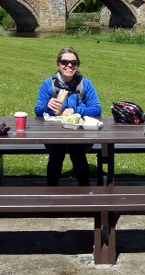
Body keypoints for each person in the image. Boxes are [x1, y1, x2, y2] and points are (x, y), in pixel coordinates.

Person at [34, 47, 101, 186]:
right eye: (65, 62)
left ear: (77, 65)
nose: (69, 65)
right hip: (54, 133)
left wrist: (76, 110)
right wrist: (47, 106)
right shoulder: (49, 84)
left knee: (76, 147)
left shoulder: (85, 84)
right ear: (58, 64)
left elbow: (96, 109)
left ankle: (85, 190)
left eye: (73, 62)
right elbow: (38, 111)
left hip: (80, 133)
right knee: (58, 149)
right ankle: (53, 190)